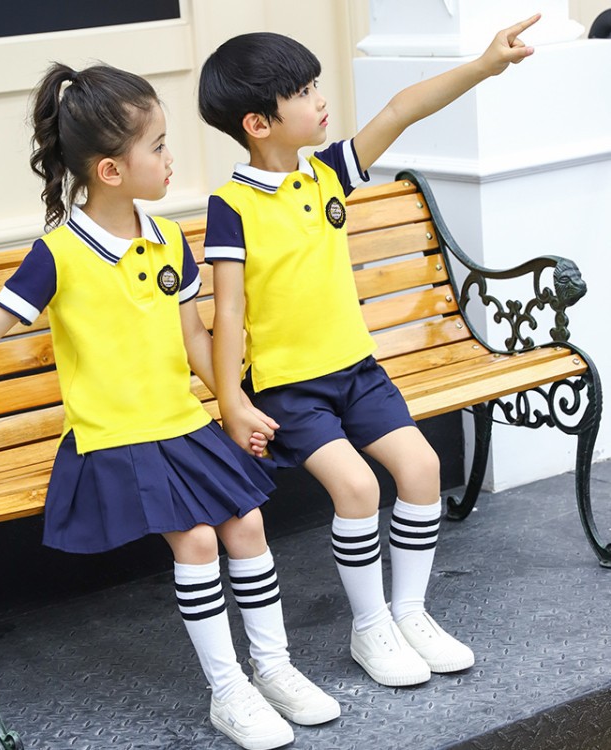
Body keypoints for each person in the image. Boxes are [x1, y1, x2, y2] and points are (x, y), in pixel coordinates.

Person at [0, 63, 340, 749]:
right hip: (115, 437)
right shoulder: (59, 253)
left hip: (182, 425)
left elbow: (195, 339)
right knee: (199, 539)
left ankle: (274, 669)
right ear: (111, 170)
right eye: (159, 146)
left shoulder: (168, 238)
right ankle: (229, 690)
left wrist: (232, 404)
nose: (172, 159)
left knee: (249, 524)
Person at [198, 16, 540, 688]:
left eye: (315, 85)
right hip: (290, 389)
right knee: (356, 488)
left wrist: (484, 64)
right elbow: (228, 312)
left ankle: (409, 611)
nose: (320, 99)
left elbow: (401, 109)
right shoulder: (231, 206)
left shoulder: (326, 173)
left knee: (421, 467)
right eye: (303, 92)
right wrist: (231, 401)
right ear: (258, 123)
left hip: (357, 371)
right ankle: (370, 625)